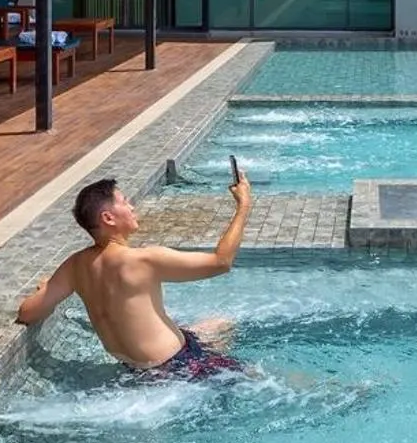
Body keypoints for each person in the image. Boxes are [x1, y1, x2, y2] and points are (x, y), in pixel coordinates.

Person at [17, 158, 254, 381]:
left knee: (221, 323)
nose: (131, 206)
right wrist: (243, 206)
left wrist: (47, 290)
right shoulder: (143, 260)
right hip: (180, 367)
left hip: (136, 368)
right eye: (124, 201)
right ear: (108, 218)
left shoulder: (74, 266)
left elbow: (27, 313)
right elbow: (221, 262)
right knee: (254, 377)